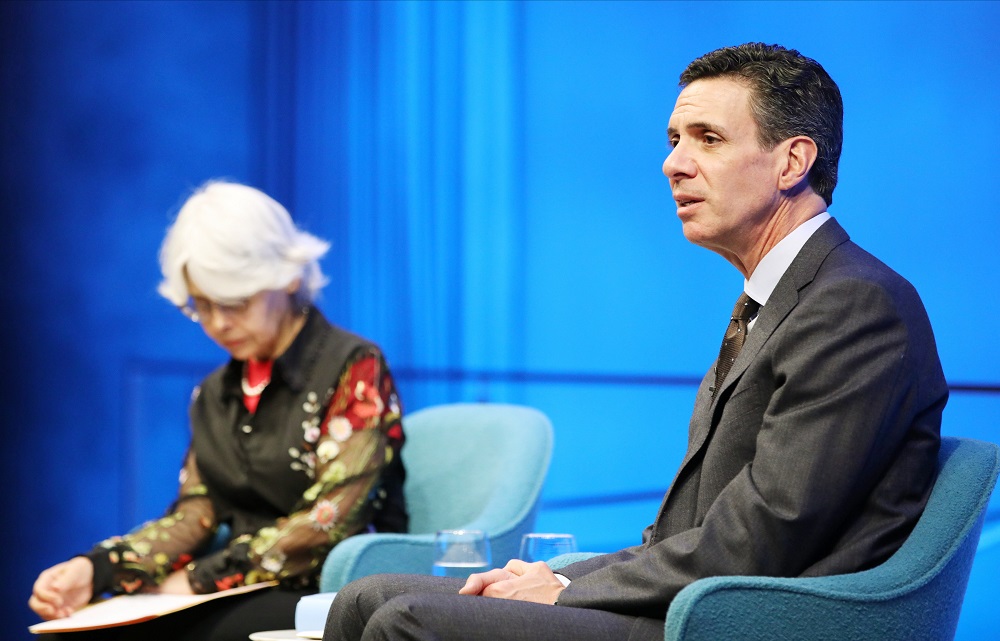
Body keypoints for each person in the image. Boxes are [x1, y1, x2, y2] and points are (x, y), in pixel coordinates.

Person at [323, 42, 948, 641]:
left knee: (408, 620)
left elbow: (765, 536)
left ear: (792, 161)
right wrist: (559, 575)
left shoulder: (856, 303)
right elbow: (688, 532)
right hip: (706, 598)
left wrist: (567, 592)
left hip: (753, 620)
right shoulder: (779, 298)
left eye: (708, 139)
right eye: (675, 140)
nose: (674, 163)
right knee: (365, 596)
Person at [28, 180, 408, 640]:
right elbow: (196, 513)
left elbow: (327, 524)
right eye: (201, 307)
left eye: (235, 303)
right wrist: (98, 569)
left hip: (328, 590)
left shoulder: (353, 366)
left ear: (288, 276)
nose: (219, 323)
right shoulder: (215, 393)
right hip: (240, 589)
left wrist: (196, 580)